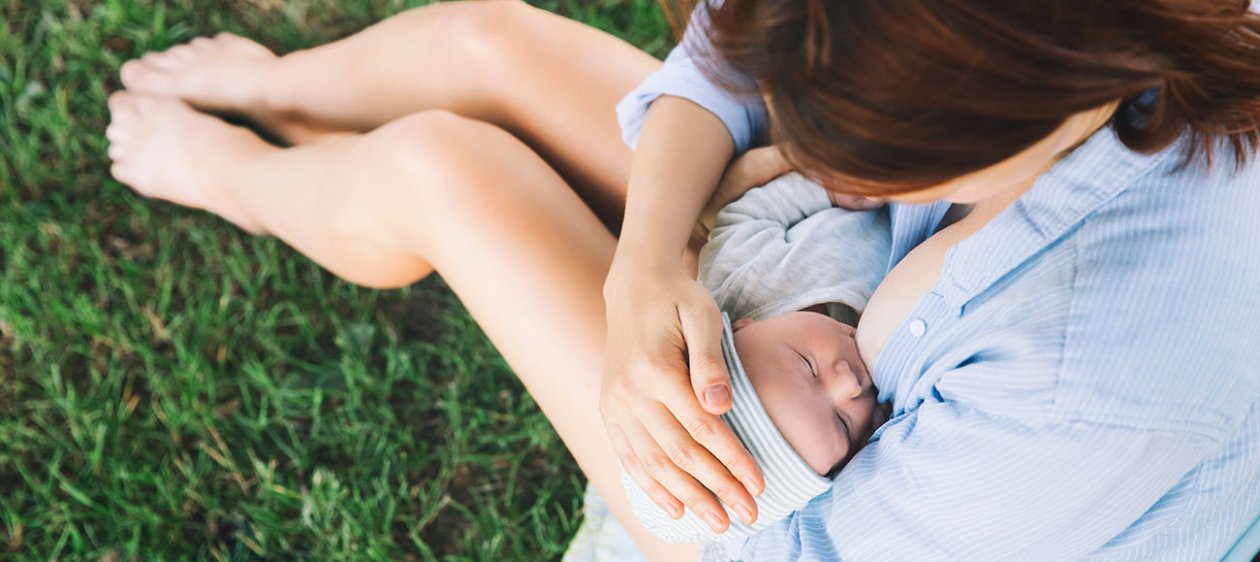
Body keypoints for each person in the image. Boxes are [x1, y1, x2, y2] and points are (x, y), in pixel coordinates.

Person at [103, 0, 1260, 560]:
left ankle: (233, 175)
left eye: (859, 150)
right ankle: (282, 86)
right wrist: (642, 266)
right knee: (492, 47)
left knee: (443, 169)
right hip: (832, 270)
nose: (794, 140)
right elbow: (730, 59)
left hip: (792, 496)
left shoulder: (1093, 375)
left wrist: (674, 381)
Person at [623, 172, 893, 543]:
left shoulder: (743, 276)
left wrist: (824, 189)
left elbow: (750, 214)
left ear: (740, 328)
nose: (850, 383)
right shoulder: (886, 378)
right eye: (843, 425)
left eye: (808, 366)